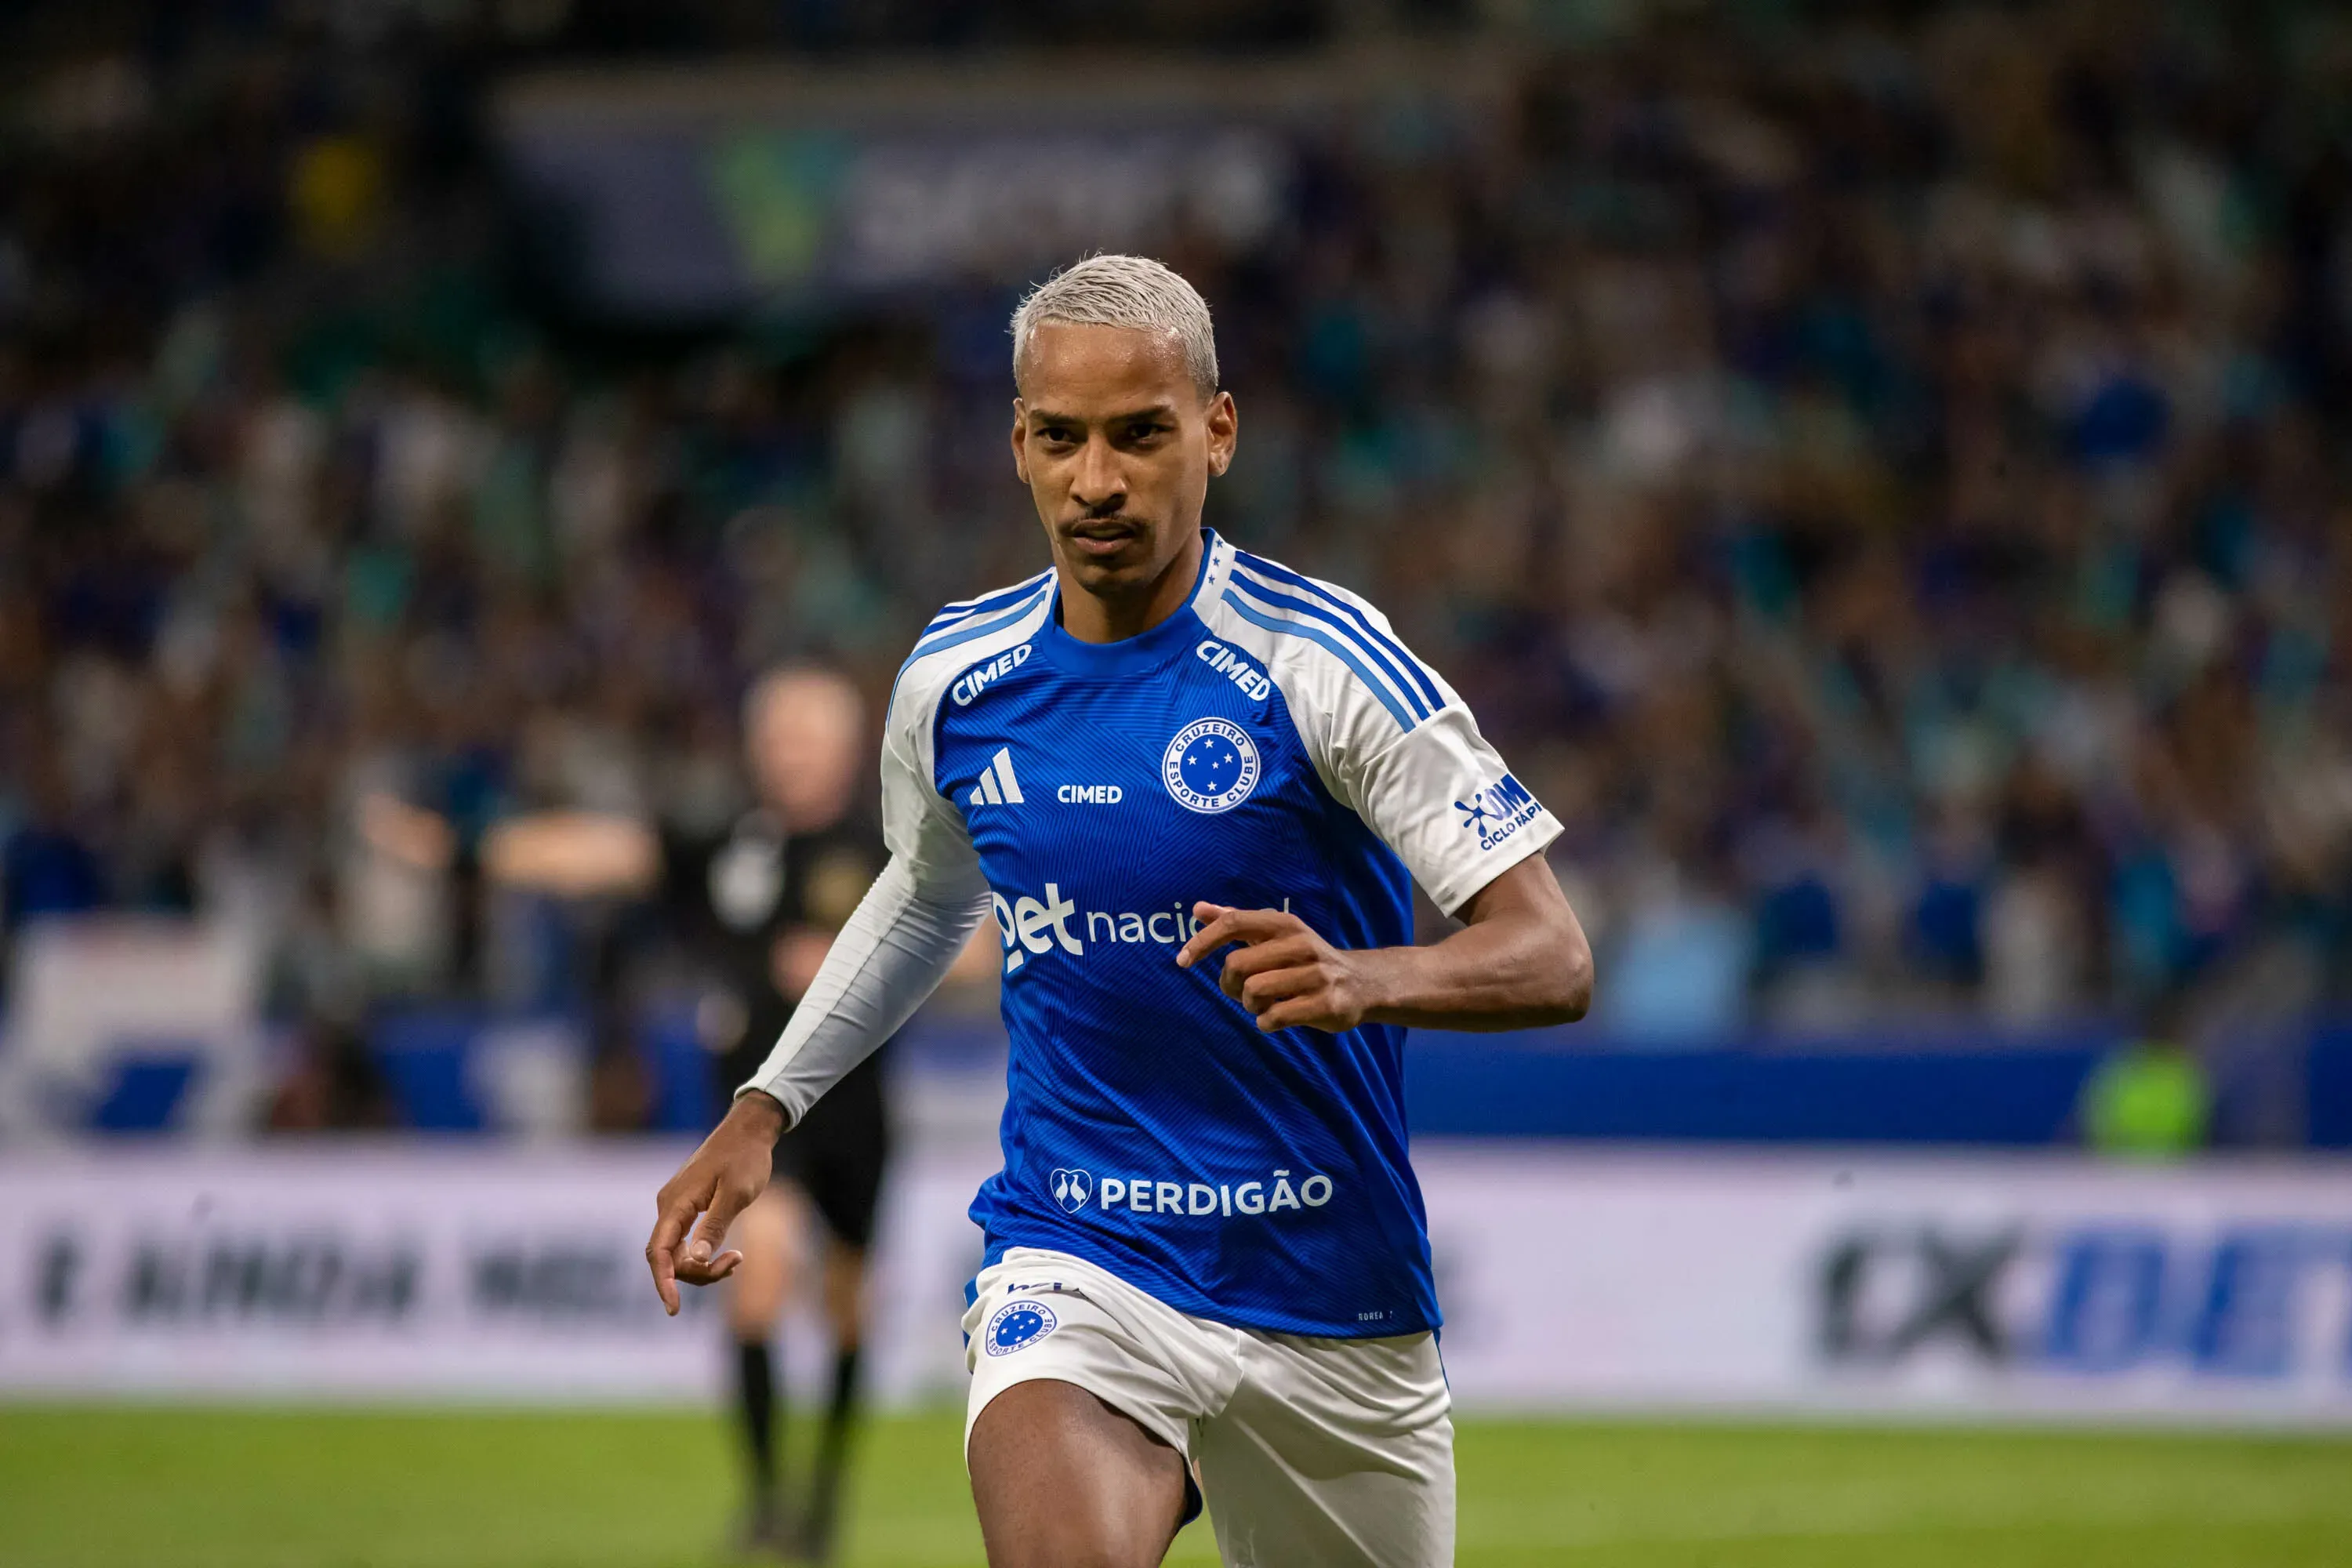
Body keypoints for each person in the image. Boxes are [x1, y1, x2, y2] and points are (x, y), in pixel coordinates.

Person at [644, 254, 1593, 1568]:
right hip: (1078, 1244)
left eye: (1141, 434)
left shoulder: (1323, 663)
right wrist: (766, 1107)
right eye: (1061, 438)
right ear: (1019, 445)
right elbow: (922, 899)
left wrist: (1368, 978)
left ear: (1218, 431)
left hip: (1328, 1286)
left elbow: (1552, 953)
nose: (1098, 480)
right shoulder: (958, 682)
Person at [490, 667, 905, 1560]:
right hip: (756, 1122)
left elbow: (974, 948)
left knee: (845, 1308)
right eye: (778, 734)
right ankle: (766, 1498)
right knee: (760, 1276)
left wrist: (852, 964)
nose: (789, 751)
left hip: (856, 1112)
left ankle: (823, 1490)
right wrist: (469, 849)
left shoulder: (887, 852)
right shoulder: (728, 847)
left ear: (844, 748)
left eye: (807, 735)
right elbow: (602, 851)